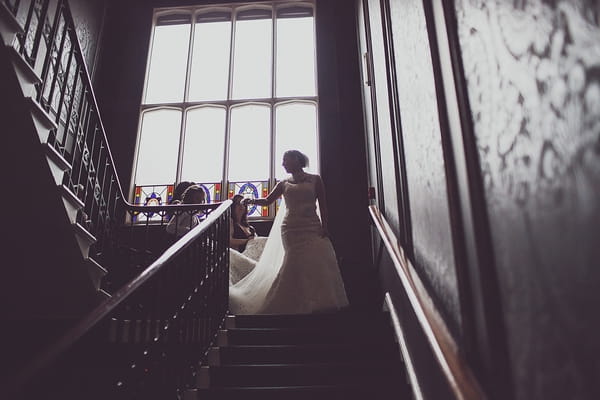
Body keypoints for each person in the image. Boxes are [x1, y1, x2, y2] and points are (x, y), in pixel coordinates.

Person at [229, 150, 349, 314]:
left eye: (285, 160)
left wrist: (325, 225)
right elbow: (267, 201)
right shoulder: (283, 184)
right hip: (291, 228)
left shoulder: (315, 179)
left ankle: (319, 300)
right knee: (295, 261)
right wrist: (252, 201)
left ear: (296, 160)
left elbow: (323, 205)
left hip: (312, 226)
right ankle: (291, 301)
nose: (283, 164)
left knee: (317, 259)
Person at [228, 194, 268, 285]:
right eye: (238, 204)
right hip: (241, 256)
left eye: (243, 204)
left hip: (254, 256)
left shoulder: (250, 227)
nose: (241, 206)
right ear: (233, 206)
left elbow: (257, 243)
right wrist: (247, 241)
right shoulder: (231, 222)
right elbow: (229, 241)